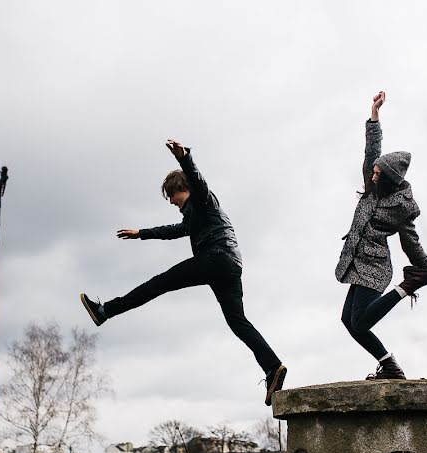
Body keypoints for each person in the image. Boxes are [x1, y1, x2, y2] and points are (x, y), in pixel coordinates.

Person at [80, 139, 287, 405]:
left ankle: (105, 311)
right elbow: (175, 231)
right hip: (231, 266)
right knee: (238, 322)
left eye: (172, 196)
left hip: (215, 257)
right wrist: (141, 233)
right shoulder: (195, 214)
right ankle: (272, 367)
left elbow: (198, 183)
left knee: (160, 283)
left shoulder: (202, 199)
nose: (171, 202)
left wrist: (184, 158)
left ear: (183, 189)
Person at [335, 91, 427, 380]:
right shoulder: (372, 185)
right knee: (348, 321)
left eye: (376, 173)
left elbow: (411, 241)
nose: (371, 175)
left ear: (387, 178)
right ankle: (390, 365)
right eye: (372, 171)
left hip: (375, 266)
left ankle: (406, 287)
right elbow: (371, 150)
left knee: (359, 323)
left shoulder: (401, 206)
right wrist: (374, 115)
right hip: (357, 263)